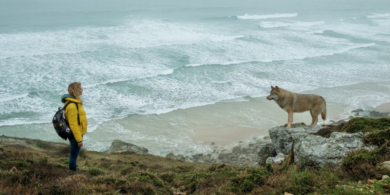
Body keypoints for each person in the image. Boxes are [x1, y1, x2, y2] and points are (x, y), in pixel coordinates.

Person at [61, 82, 88, 171]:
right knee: (73, 157)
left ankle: (73, 173)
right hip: (76, 135)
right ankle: (73, 175)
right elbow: (73, 124)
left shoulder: (74, 103)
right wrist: (79, 139)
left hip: (76, 134)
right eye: (80, 88)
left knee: (73, 155)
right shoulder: (72, 105)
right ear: (75, 90)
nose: (82, 90)